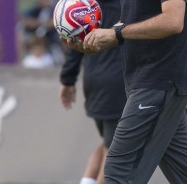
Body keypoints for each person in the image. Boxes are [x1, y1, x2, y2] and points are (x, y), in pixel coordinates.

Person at [66, 0, 187, 183]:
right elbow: (138, 19)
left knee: (118, 170)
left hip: (157, 84)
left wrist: (116, 33)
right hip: (154, 87)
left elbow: (173, 21)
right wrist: (101, 40)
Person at [59, 1, 126, 184]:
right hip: (119, 84)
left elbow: (74, 38)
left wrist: (68, 79)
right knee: (114, 154)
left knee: (108, 144)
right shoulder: (131, 4)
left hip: (94, 81)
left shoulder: (86, 4)